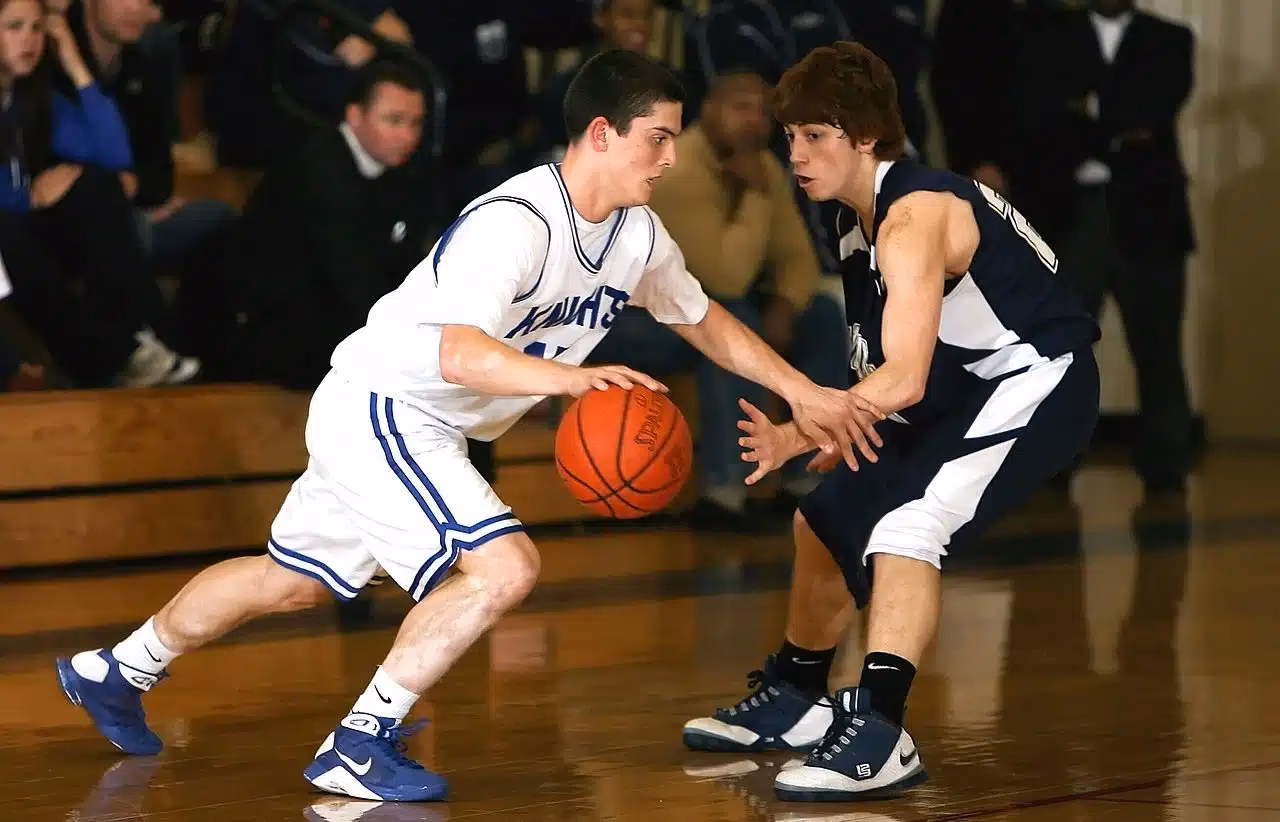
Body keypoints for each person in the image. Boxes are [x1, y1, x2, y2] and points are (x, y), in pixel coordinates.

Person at [54, 49, 881, 803]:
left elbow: (701, 318)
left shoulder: (636, 235)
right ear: (602, 133)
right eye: (657, 139)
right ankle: (361, 739)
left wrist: (800, 390)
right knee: (504, 566)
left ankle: (116, 669)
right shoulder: (516, 220)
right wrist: (569, 380)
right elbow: (457, 352)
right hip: (390, 406)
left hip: (411, 420)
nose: (670, 157)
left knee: (290, 580)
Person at [681, 41, 1101, 801]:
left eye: (816, 135)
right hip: (951, 388)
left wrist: (806, 425)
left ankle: (880, 731)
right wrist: (827, 427)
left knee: (908, 528)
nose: (796, 154)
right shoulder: (857, 220)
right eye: (791, 136)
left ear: (867, 136)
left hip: (1035, 381)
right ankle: (797, 695)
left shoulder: (911, 218)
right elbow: (889, 369)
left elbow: (902, 378)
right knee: (825, 519)